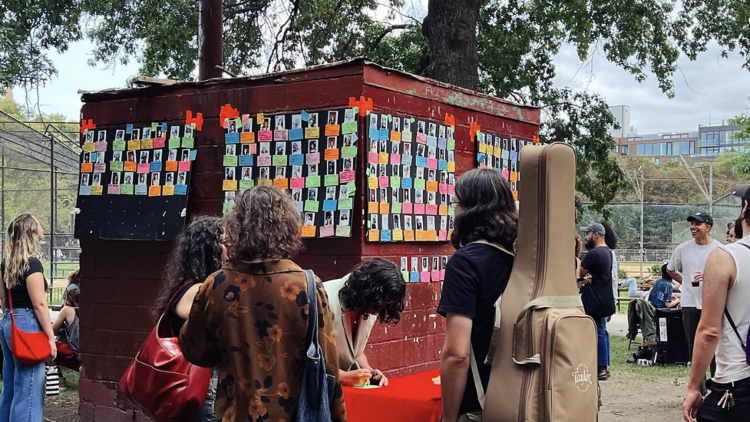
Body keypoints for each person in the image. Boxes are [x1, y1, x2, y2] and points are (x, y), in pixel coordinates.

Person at [180, 187, 345, 421]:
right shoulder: (308, 286)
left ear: (237, 227)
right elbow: (328, 363)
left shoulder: (216, 285)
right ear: (287, 228)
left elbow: (195, 351)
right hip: (294, 414)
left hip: (235, 412)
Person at [438, 169, 518, 422]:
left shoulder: (465, 262)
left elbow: (457, 355)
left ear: (467, 208)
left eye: (455, 202)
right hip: (528, 398)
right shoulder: (526, 259)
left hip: (482, 403)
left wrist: (448, 418)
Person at [683, 185, 750, 421]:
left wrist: (693, 387)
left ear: (745, 208)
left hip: (738, 379)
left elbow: (710, 331)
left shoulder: (727, 256)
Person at [153, 216, 224, 422]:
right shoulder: (197, 291)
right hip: (199, 386)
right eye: (227, 242)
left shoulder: (191, 286)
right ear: (211, 249)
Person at [0, 214, 55, 421]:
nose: (42, 227)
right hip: (27, 324)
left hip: (8, 321)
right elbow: (39, 305)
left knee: (11, 386)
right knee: (29, 388)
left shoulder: (7, 263)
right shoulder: (32, 265)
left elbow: (3, 299)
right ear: (32, 232)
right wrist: (50, 338)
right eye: (39, 224)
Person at [324, 259, 406, 388]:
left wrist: (369, 372)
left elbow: (354, 351)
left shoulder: (370, 304)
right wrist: (343, 376)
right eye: (376, 306)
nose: (375, 311)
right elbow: (304, 355)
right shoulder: (324, 298)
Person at [667, 212, 720, 393]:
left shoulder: (719, 250)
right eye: (692, 224)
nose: (693, 227)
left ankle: (716, 386)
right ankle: (698, 388)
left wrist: (710, 277)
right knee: (694, 345)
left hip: (712, 302)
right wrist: (686, 283)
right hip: (690, 303)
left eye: (698, 223)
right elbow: (671, 270)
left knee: (714, 344)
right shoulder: (682, 249)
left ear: (708, 227)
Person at [579, 223, 615, 381]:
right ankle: (604, 366)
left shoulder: (594, 254)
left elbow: (578, 272)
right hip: (604, 297)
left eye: (587, 234)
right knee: (602, 330)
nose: (585, 237)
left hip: (595, 299)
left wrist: (578, 267)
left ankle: (600, 367)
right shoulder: (607, 252)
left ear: (596, 235)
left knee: (598, 330)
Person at [53, 287, 80, 371]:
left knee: (47, 346)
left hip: (75, 357)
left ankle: (55, 375)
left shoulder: (67, 310)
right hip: (91, 358)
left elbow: (52, 331)